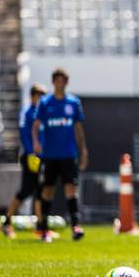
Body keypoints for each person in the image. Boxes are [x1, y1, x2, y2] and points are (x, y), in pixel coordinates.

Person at [32, 68, 88, 243]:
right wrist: (36, 142)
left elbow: (78, 128)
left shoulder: (73, 102)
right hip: (50, 154)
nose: (60, 83)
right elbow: (35, 125)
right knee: (48, 190)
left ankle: (75, 226)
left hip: (68, 153)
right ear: (53, 82)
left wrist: (83, 149)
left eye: (63, 80)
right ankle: (44, 228)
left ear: (66, 82)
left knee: (70, 188)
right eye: (57, 80)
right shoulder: (45, 102)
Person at [2, 83, 47, 239]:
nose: (41, 99)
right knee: (26, 190)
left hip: (43, 158)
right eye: (38, 95)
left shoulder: (44, 113)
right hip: (31, 157)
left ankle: (41, 226)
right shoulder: (27, 112)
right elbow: (24, 134)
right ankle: (7, 222)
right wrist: (31, 153)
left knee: (42, 191)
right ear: (32, 96)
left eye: (43, 96)